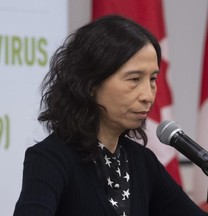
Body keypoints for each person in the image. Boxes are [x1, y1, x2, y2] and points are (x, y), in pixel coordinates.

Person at [13, 15, 207, 216]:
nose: (148, 96)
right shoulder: (50, 158)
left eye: (153, 79)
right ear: (90, 84)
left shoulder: (142, 161)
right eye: (134, 79)